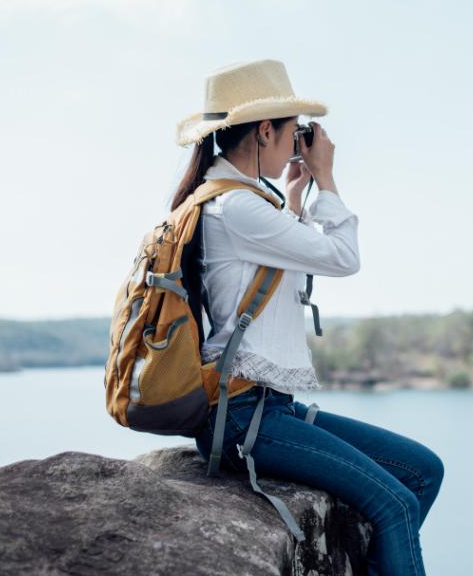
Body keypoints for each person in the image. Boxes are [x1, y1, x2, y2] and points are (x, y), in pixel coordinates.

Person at [172, 59, 443, 576]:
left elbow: (268, 272)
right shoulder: (237, 208)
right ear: (265, 130)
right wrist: (327, 177)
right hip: (245, 417)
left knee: (422, 471)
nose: (297, 140)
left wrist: (295, 196)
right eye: (291, 129)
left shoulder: (240, 202)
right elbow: (344, 257)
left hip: (266, 406)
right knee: (396, 504)